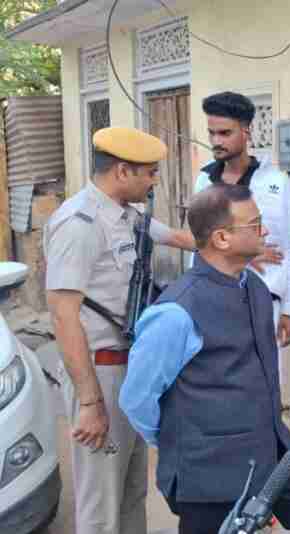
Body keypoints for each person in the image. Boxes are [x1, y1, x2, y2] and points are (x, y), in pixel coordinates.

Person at [119, 184, 290, 534]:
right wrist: (185, 442)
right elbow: (137, 399)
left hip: (269, 449)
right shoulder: (176, 312)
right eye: (255, 224)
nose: (264, 231)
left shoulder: (255, 288)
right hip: (210, 473)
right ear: (222, 239)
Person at [44, 127, 196, 534]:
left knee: (131, 493)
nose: (155, 180)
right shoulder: (79, 224)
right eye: (149, 172)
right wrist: (90, 402)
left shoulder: (128, 215)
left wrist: (233, 244)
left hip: (130, 369)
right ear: (123, 171)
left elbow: (178, 238)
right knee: (101, 504)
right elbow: (63, 315)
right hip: (100, 373)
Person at [195, 91, 290, 370]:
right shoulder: (204, 181)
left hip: (266, 303)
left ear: (246, 132)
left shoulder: (277, 181)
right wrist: (243, 254)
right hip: (213, 303)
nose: (216, 141)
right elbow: (198, 244)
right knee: (218, 379)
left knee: (266, 380)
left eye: (225, 133)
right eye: (211, 133)